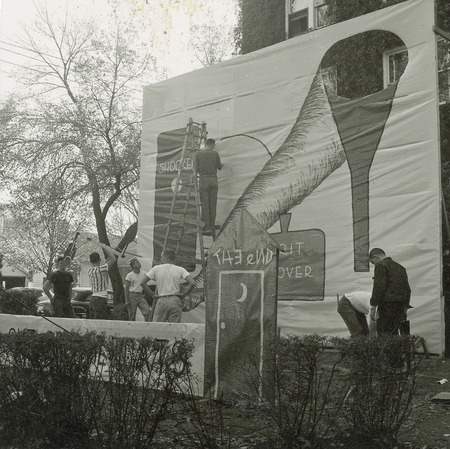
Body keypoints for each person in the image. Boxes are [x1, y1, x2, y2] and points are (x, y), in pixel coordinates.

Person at [140, 249, 196, 323]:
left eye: (162, 256)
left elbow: (142, 283)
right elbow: (192, 283)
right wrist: (183, 294)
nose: (161, 259)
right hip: (175, 300)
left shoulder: (156, 269)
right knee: (174, 327)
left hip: (162, 300)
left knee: (158, 327)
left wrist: (152, 294)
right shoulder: (180, 269)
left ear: (166, 257)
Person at [369, 248, 411, 336]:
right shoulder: (401, 267)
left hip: (387, 304)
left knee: (384, 332)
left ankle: (387, 350)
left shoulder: (381, 265)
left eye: (373, 262)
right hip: (400, 305)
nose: (374, 265)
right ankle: (396, 349)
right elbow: (407, 288)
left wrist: (373, 306)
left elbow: (379, 287)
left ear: (376, 257)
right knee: (395, 332)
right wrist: (405, 305)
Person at [194, 138, 222, 237]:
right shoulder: (215, 153)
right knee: (212, 205)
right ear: (213, 145)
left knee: (205, 205)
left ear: (205, 144)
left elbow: (196, 169)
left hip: (203, 180)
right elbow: (220, 167)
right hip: (213, 180)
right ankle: (212, 225)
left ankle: (206, 227)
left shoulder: (197, 154)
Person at [87, 246, 117, 319]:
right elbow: (113, 259)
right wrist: (106, 248)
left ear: (90, 261)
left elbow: (105, 263)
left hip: (93, 298)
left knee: (93, 319)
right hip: (100, 298)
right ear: (100, 259)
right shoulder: (101, 269)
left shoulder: (90, 270)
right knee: (100, 319)